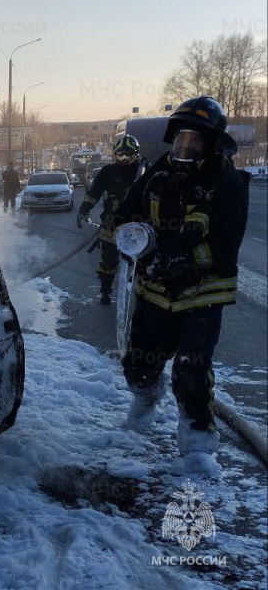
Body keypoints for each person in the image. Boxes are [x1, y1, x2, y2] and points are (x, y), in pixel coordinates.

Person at [114, 96, 249, 475]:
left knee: (191, 370)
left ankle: (198, 446)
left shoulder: (226, 184)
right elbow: (126, 215)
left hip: (201, 295)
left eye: (195, 142)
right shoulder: (156, 174)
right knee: (138, 363)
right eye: (180, 141)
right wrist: (130, 236)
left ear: (212, 144)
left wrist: (184, 262)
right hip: (154, 290)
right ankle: (145, 401)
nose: (185, 149)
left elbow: (225, 247)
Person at [77, 135, 148, 304]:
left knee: (142, 261)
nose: (124, 159)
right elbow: (94, 193)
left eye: (128, 155)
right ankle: (105, 291)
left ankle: (141, 290)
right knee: (108, 260)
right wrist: (83, 211)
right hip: (111, 224)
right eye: (120, 155)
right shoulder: (108, 172)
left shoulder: (144, 171)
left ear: (136, 154)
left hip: (138, 223)